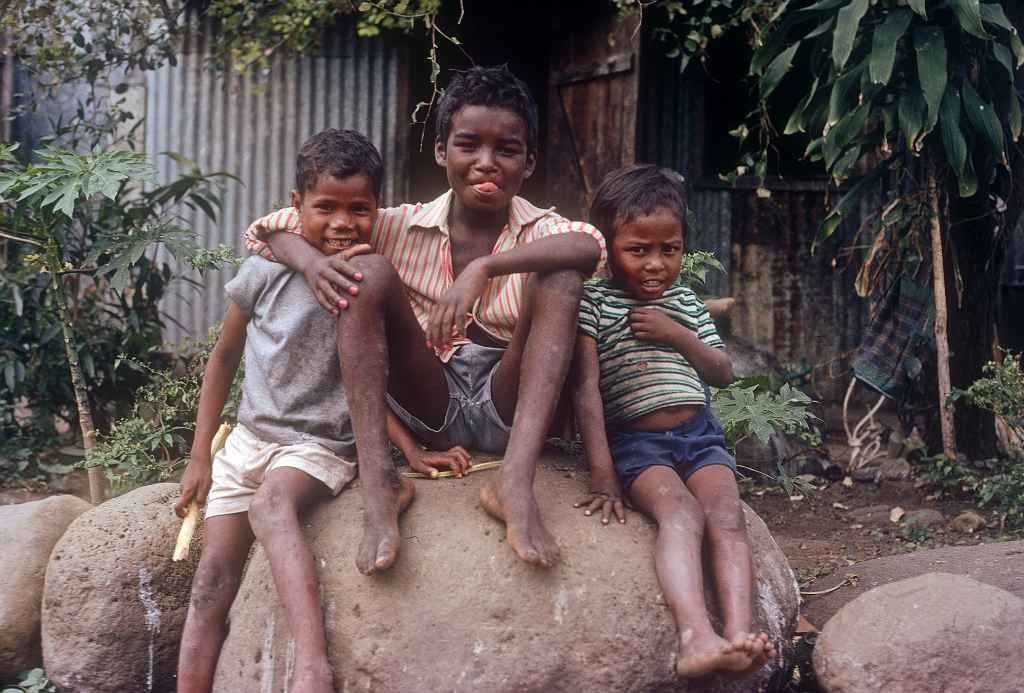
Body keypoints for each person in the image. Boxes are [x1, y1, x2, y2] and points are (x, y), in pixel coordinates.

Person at [243, 65, 606, 571]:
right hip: (429, 401)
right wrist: (311, 260)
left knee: (561, 274)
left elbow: (589, 246)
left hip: (510, 402)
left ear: (529, 162)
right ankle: (380, 485)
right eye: (468, 145)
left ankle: (514, 484)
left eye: (507, 150)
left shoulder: (541, 229)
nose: (486, 163)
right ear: (441, 151)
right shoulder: (398, 226)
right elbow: (266, 230)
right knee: (365, 269)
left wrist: (487, 266)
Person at [174, 129, 470, 693]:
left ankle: (313, 667)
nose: (342, 222)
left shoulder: (363, 283)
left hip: (318, 446)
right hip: (247, 443)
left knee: (272, 505)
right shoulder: (261, 274)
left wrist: (409, 451)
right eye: (325, 207)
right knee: (210, 579)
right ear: (295, 208)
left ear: (377, 211)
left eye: (359, 209)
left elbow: (364, 386)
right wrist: (199, 458)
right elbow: (222, 360)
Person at [571, 164, 775, 680]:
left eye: (671, 249)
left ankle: (740, 632)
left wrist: (676, 333)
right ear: (606, 247)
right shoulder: (592, 303)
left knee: (726, 519)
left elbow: (723, 372)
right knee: (681, 515)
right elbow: (586, 392)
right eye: (637, 250)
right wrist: (602, 472)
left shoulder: (684, 303)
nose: (656, 264)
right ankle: (694, 636)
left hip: (701, 436)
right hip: (639, 443)